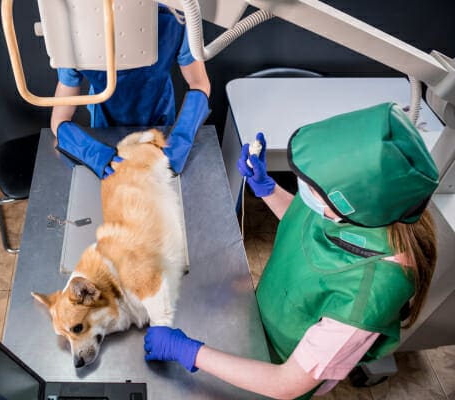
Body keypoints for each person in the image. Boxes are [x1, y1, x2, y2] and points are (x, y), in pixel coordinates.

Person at [143, 103, 439, 399]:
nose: (304, 190)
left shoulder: (371, 293)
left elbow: (285, 383)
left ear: (355, 205)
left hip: (283, 367)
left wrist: (189, 352)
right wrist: (267, 189)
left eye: (314, 189)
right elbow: (307, 225)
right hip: (266, 315)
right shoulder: (359, 212)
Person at [51, 4, 211, 179]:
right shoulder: (76, 27)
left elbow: (199, 82)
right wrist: (96, 155)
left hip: (161, 124)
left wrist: (179, 144)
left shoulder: (177, 13)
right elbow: (59, 118)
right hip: (105, 129)